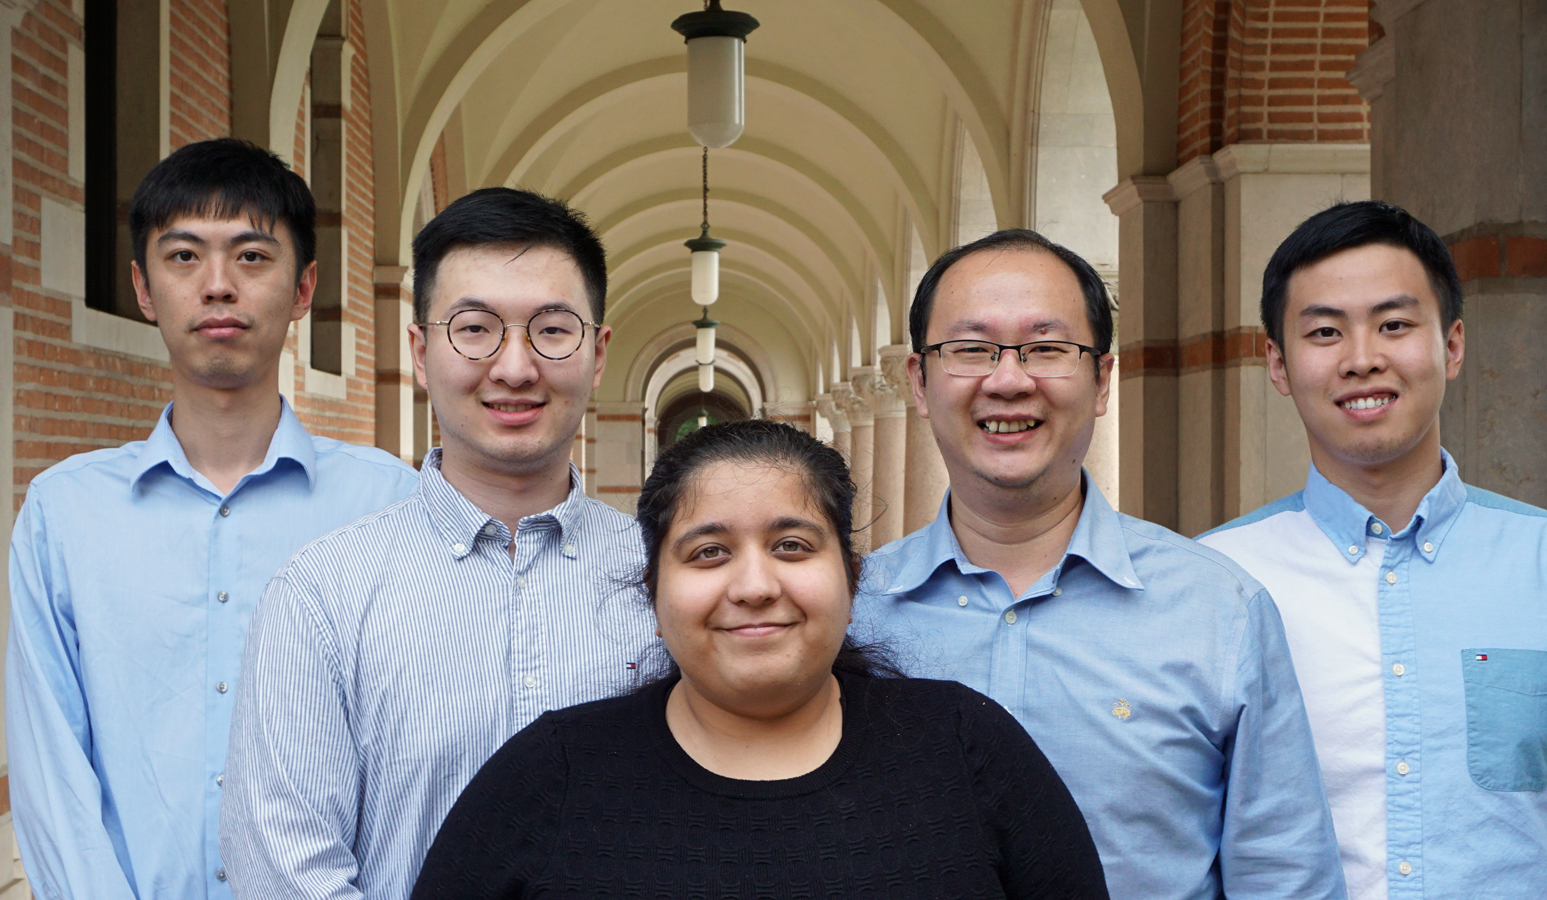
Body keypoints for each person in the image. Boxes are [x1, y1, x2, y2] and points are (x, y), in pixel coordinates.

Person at [410, 419, 1109, 899]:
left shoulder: (965, 747)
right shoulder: (552, 774)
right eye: (708, 552)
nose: (753, 586)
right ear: (654, 590)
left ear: (852, 575)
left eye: (793, 546)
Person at [854, 228, 1346, 900]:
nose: (1007, 379)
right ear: (919, 380)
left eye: (1046, 349)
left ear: (1103, 378)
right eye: (970, 350)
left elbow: (1287, 878)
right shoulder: (853, 613)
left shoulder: (1218, 609)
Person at [4, 139, 419, 900]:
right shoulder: (65, 515)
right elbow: (49, 767)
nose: (218, 286)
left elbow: (414, 757)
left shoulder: (387, 505)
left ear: (304, 289)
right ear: (143, 287)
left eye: (253, 257)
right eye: (185, 257)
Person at [219, 187, 658, 900]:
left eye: (552, 330)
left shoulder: (662, 581)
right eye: (475, 329)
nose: (515, 368)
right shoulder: (323, 594)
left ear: (598, 353)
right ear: (420, 353)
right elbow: (285, 870)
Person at [1197, 200, 1547, 900]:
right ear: (1278, 363)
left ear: (1451, 346)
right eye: (1325, 331)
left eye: (1394, 325)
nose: (1363, 359)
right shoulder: (1214, 581)